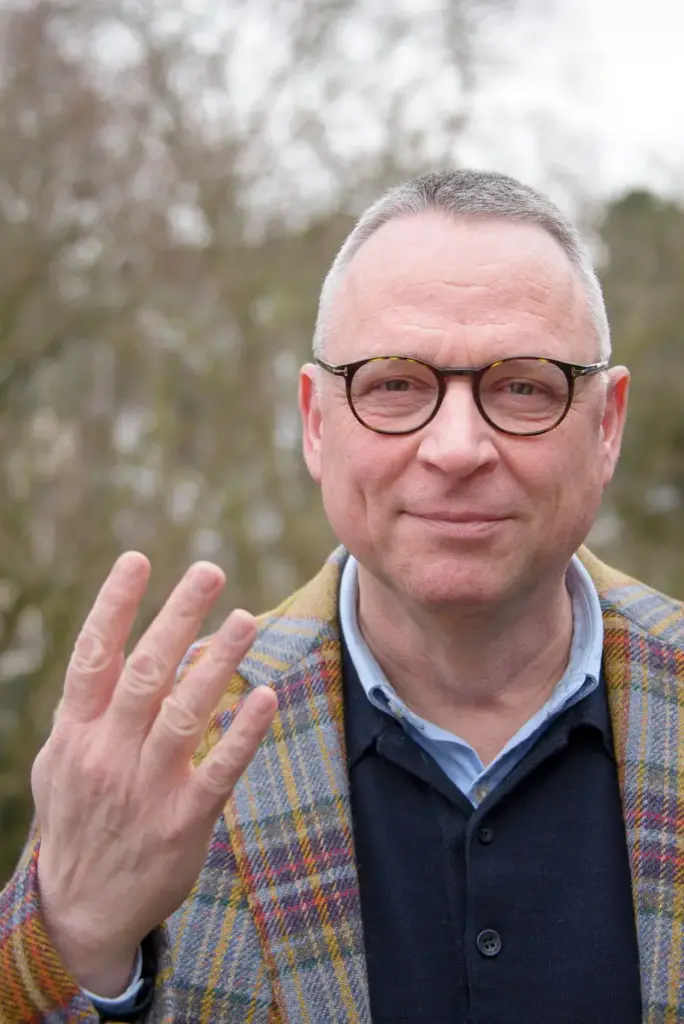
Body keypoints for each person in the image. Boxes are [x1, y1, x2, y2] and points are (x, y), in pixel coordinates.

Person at [1, 169, 682, 1024]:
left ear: (607, 424)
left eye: (523, 386)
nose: (457, 448)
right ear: (317, 422)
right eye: (395, 384)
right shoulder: (152, 754)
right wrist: (74, 944)